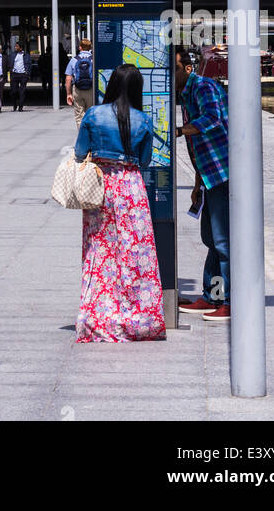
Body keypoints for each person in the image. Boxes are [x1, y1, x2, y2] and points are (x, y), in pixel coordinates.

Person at [74, 64, 165, 343]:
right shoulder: (143, 120)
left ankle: (98, 315)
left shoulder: (93, 115)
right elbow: (147, 160)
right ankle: (138, 315)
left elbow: (79, 153)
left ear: (112, 85)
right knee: (135, 254)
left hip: (101, 188)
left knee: (100, 250)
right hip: (131, 189)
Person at [175, 46, 230, 321]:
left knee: (222, 240)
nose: (169, 76)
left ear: (187, 68)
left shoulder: (204, 87)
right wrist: (197, 183)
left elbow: (212, 119)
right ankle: (213, 296)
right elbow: (199, 147)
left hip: (224, 173)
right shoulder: (186, 95)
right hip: (209, 175)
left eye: (173, 69)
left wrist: (177, 130)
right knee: (211, 239)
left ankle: (229, 301)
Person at [66, 39, 94, 128]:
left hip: (78, 89)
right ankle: (91, 136)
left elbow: (68, 78)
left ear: (80, 47)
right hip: (91, 89)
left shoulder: (74, 60)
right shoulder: (94, 59)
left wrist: (68, 94)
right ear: (90, 47)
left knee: (79, 115)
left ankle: (82, 136)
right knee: (91, 113)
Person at [9, 39, 31, 111]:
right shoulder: (12, 55)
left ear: (21, 48)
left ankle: (20, 107)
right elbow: (10, 64)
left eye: (17, 46)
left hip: (23, 75)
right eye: (15, 46)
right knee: (13, 91)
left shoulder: (26, 55)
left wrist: (27, 74)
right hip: (14, 75)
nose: (15, 48)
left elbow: (29, 65)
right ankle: (15, 104)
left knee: (22, 92)